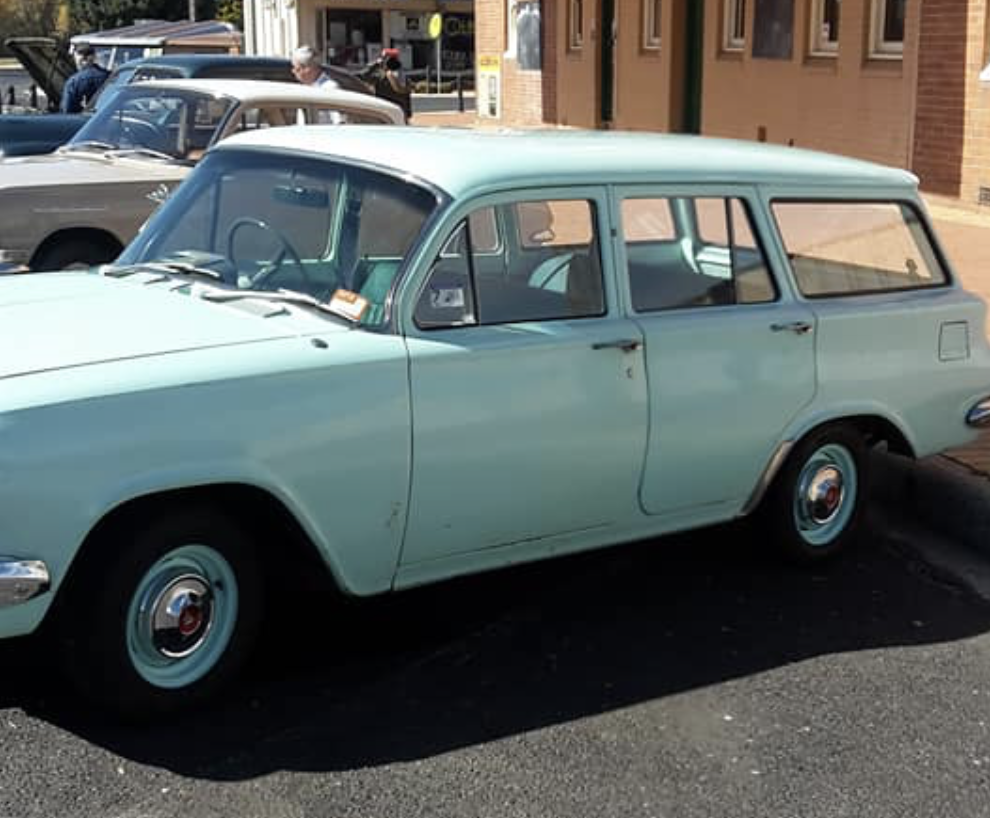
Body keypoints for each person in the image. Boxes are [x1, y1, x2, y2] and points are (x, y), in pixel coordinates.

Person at [359, 48, 412, 120]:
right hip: (398, 112)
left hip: (384, 112)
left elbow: (362, 76)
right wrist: (408, 113)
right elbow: (406, 95)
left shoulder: (380, 76)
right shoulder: (403, 76)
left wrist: (375, 64)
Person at [60, 44, 109, 113]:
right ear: (94, 56)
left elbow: (66, 111)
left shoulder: (73, 82)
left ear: (80, 59)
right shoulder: (110, 76)